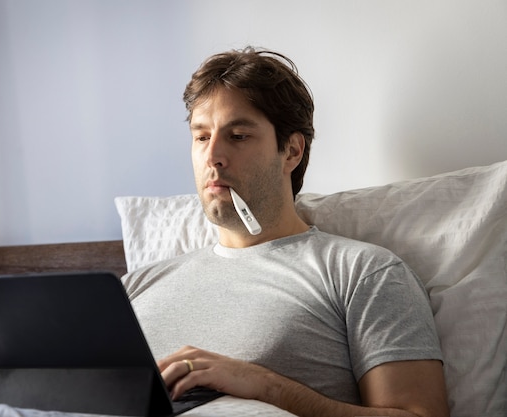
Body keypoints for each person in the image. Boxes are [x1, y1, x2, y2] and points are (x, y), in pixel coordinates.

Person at [121, 47, 450, 417]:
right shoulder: (134, 288)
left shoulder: (362, 273)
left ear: (291, 150)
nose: (213, 155)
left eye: (238, 135)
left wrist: (265, 385)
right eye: (201, 137)